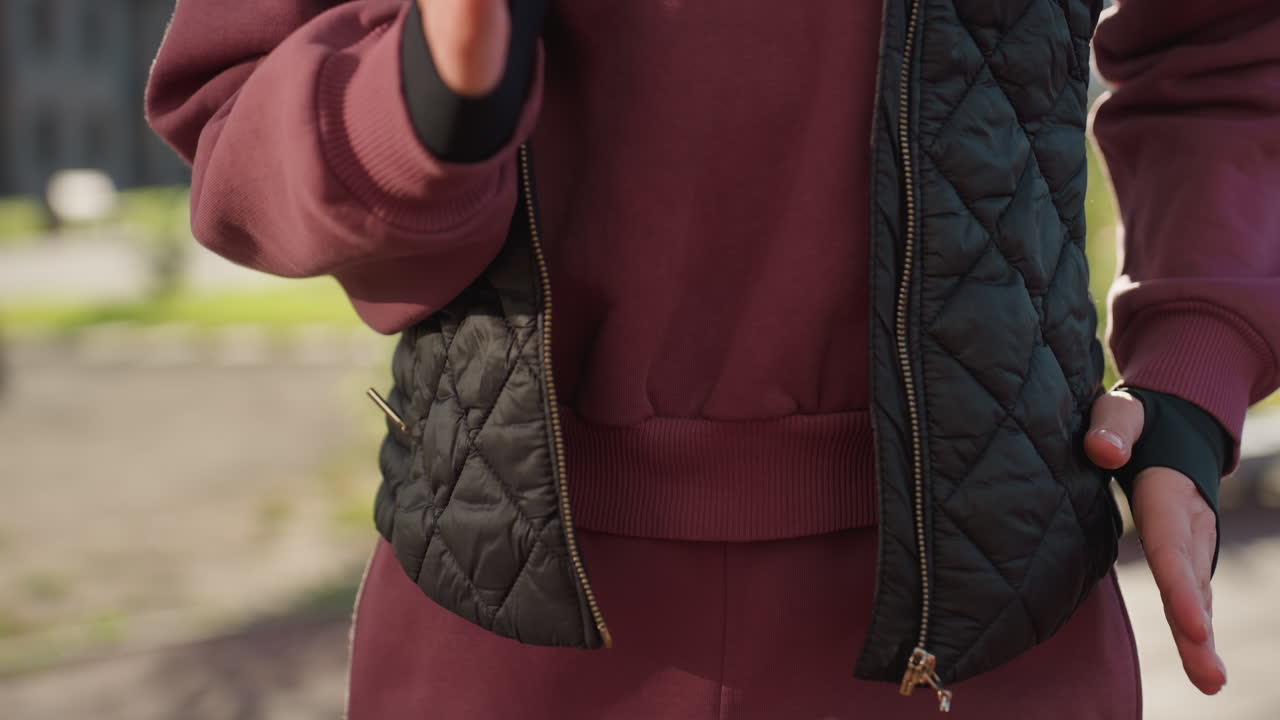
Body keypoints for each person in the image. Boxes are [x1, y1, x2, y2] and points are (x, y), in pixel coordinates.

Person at [145, 0, 1280, 717]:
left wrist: (1192, 360)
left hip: (989, 644)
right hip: (504, 641)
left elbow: (1229, 48)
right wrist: (435, 96)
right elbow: (233, 93)